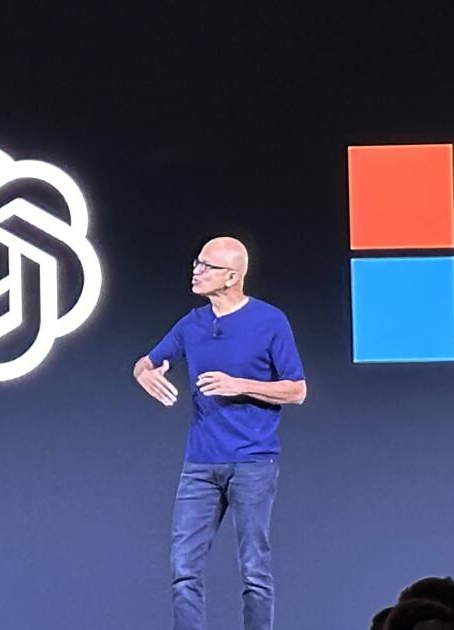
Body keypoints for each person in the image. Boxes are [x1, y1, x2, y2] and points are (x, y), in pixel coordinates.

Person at [133, 236, 306, 630]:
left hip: (253, 462)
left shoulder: (269, 321)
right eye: (197, 262)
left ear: (232, 277)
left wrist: (240, 385)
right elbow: (146, 362)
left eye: (206, 265)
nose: (196, 271)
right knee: (184, 569)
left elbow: (297, 390)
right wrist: (144, 374)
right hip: (200, 464)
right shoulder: (191, 324)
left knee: (254, 570)